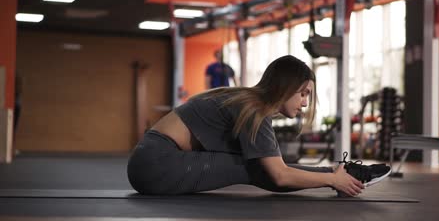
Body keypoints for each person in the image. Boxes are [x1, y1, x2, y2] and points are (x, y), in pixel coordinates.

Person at [127, 55, 391, 196]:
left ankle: (341, 173)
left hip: (153, 160)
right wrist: (332, 180)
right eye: (303, 93)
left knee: (260, 164)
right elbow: (279, 175)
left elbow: (278, 170)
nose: (305, 102)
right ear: (284, 88)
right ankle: (342, 176)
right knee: (255, 168)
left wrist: (332, 175)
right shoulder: (253, 110)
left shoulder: (249, 102)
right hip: (155, 164)